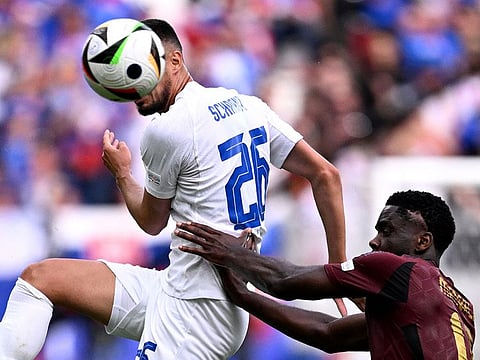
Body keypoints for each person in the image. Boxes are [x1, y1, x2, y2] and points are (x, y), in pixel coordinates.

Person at [0, 19, 347, 360]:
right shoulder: (249, 106)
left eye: (143, 70)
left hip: (197, 312)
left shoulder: (168, 129)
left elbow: (152, 222)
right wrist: (340, 271)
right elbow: (325, 175)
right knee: (40, 279)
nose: (136, 86)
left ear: (176, 61)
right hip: (183, 287)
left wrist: (122, 174)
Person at [175, 190, 476, 359]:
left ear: (422, 242)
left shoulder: (402, 270)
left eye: (387, 231)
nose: (375, 241)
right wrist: (244, 295)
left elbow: (284, 280)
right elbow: (328, 334)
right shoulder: (459, 307)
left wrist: (228, 251)